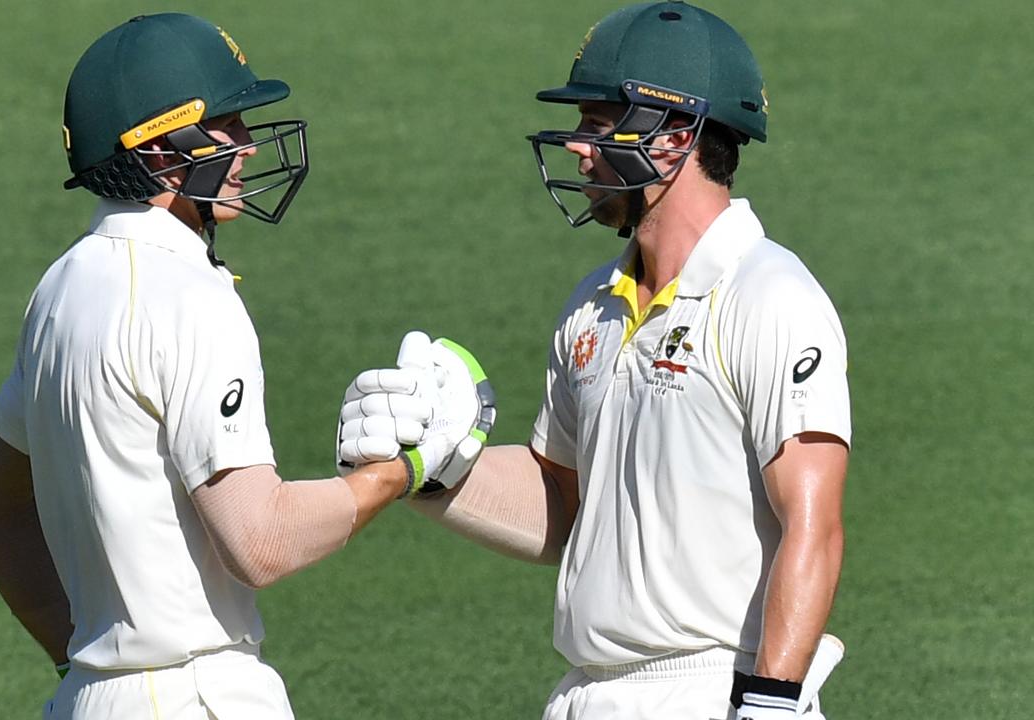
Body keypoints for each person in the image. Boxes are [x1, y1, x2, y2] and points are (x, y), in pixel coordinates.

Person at [337, 3, 851, 718]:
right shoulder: (593, 307)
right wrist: (433, 467)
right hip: (589, 694)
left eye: (598, 123)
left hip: (715, 690)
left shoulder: (769, 295)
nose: (579, 148)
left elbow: (813, 523)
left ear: (674, 138)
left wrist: (769, 705)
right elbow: (566, 500)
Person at [0, 13, 428, 719]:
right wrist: (401, 473)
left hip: (87, 700)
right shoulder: (188, 295)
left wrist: (83, 657)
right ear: (156, 149)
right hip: (196, 696)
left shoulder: (60, 290)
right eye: (224, 126)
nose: (244, 148)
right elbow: (260, 541)